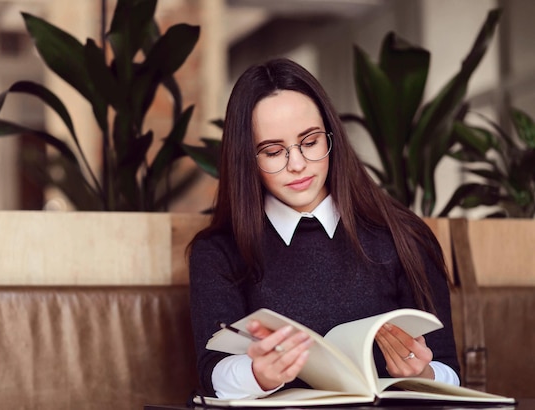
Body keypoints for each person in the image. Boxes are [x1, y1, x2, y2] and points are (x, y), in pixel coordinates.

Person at [188, 58, 460, 399]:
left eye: (311, 141)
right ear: (247, 159)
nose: (298, 164)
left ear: (331, 136)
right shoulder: (219, 252)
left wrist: (422, 371)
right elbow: (213, 374)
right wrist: (258, 374)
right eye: (273, 151)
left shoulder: (404, 236)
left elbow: (450, 372)